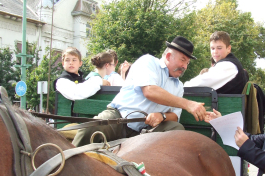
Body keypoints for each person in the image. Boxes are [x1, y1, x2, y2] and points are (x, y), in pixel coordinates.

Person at [72, 36, 207, 147]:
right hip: (119, 118)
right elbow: (149, 91)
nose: (185, 66)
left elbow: (175, 116)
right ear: (169, 56)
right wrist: (188, 104)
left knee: (176, 129)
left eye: (187, 63)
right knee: (89, 129)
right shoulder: (148, 62)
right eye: (183, 60)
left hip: (147, 132)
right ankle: (64, 164)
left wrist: (162, 116)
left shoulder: (178, 87)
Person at [183, 31, 248, 94]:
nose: (215, 52)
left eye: (219, 48)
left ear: (228, 48)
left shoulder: (228, 65)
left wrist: (181, 87)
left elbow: (199, 83)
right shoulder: (227, 63)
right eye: (212, 48)